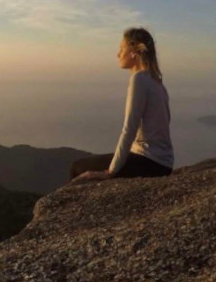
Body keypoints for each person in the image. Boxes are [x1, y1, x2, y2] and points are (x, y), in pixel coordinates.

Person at [70, 27, 174, 182]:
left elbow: (129, 129)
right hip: (163, 163)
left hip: (148, 161)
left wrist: (111, 171)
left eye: (121, 49)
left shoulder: (139, 79)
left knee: (76, 168)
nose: (118, 54)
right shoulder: (156, 81)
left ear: (134, 52)